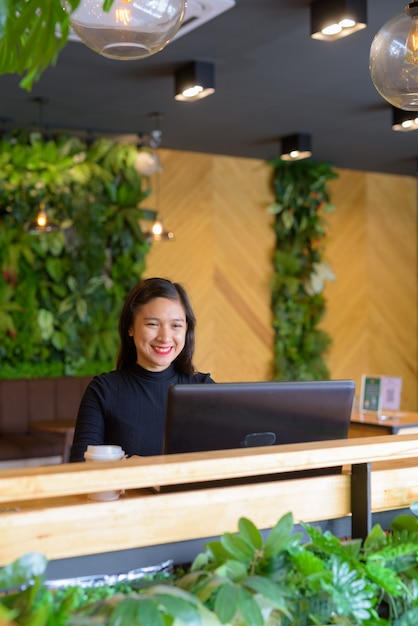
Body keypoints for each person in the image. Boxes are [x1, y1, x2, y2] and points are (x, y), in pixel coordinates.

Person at [69, 277, 214, 462]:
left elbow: (224, 462)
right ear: (130, 327)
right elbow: (80, 469)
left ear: (187, 329)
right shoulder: (103, 391)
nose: (165, 337)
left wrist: (147, 469)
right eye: (153, 324)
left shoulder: (204, 389)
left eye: (176, 325)